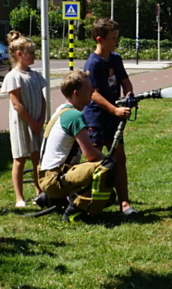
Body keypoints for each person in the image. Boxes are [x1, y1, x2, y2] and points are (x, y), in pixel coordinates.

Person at [38, 70, 123, 222]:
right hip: (55, 178)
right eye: (88, 89)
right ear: (76, 93)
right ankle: (77, 210)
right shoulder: (75, 116)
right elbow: (90, 154)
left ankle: (59, 200)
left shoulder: (62, 110)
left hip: (47, 176)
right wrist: (110, 162)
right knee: (107, 166)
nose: (92, 92)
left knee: (108, 196)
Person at [82, 17, 136, 215]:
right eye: (113, 38)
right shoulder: (93, 63)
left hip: (114, 118)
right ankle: (87, 202)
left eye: (117, 37)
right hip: (96, 118)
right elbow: (93, 93)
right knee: (93, 161)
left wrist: (128, 94)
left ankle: (125, 203)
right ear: (99, 39)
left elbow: (125, 81)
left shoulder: (115, 59)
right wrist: (113, 109)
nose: (116, 41)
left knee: (119, 159)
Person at [1, 30, 47, 208]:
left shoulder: (35, 75)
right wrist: (31, 122)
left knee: (38, 158)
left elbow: (42, 99)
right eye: (31, 53)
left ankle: (40, 191)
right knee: (19, 158)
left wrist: (41, 119)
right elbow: (17, 104)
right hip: (22, 123)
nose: (34, 56)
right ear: (20, 54)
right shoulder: (13, 77)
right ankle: (19, 197)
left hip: (36, 121)